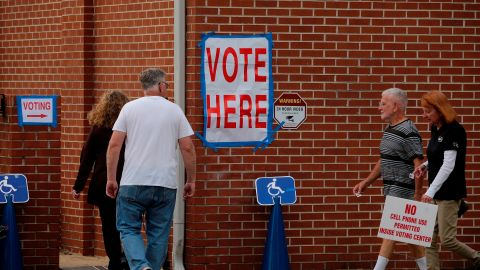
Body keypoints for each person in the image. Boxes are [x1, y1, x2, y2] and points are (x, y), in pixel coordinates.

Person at [106, 68, 196, 270]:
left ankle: (140, 266)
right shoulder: (174, 110)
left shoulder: (129, 109)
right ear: (160, 85)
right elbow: (188, 147)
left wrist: (111, 178)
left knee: (128, 228)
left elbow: (114, 145)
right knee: (159, 233)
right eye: (167, 85)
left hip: (133, 181)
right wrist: (191, 180)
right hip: (165, 183)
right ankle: (150, 268)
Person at [352, 88, 427, 270]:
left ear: (395, 106)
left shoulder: (409, 131)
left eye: (383, 103)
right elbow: (384, 160)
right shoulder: (390, 129)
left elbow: (419, 165)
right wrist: (366, 182)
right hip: (392, 188)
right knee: (409, 237)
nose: (379, 107)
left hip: (404, 190)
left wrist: (418, 195)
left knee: (391, 231)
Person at [413, 91, 480, 270]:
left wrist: (429, 192)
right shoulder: (435, 128)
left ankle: (477, 258)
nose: (424, 115)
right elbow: (438, 157)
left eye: (427, 111)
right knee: (429, 239)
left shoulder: (454, 130)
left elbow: (449, 165)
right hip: (435, 192)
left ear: (440, 110)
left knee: (447, 239)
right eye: (423, 111)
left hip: (449, 193)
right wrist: (425, 166)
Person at [72, 90, 130, 270]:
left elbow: (86, 159)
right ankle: (129, 258)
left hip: (104, 182)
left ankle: (115, 259)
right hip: (130, 179)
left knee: (109, 224)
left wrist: (78, 186)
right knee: (129, 223)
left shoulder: (98, 130)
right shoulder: (131, 129)